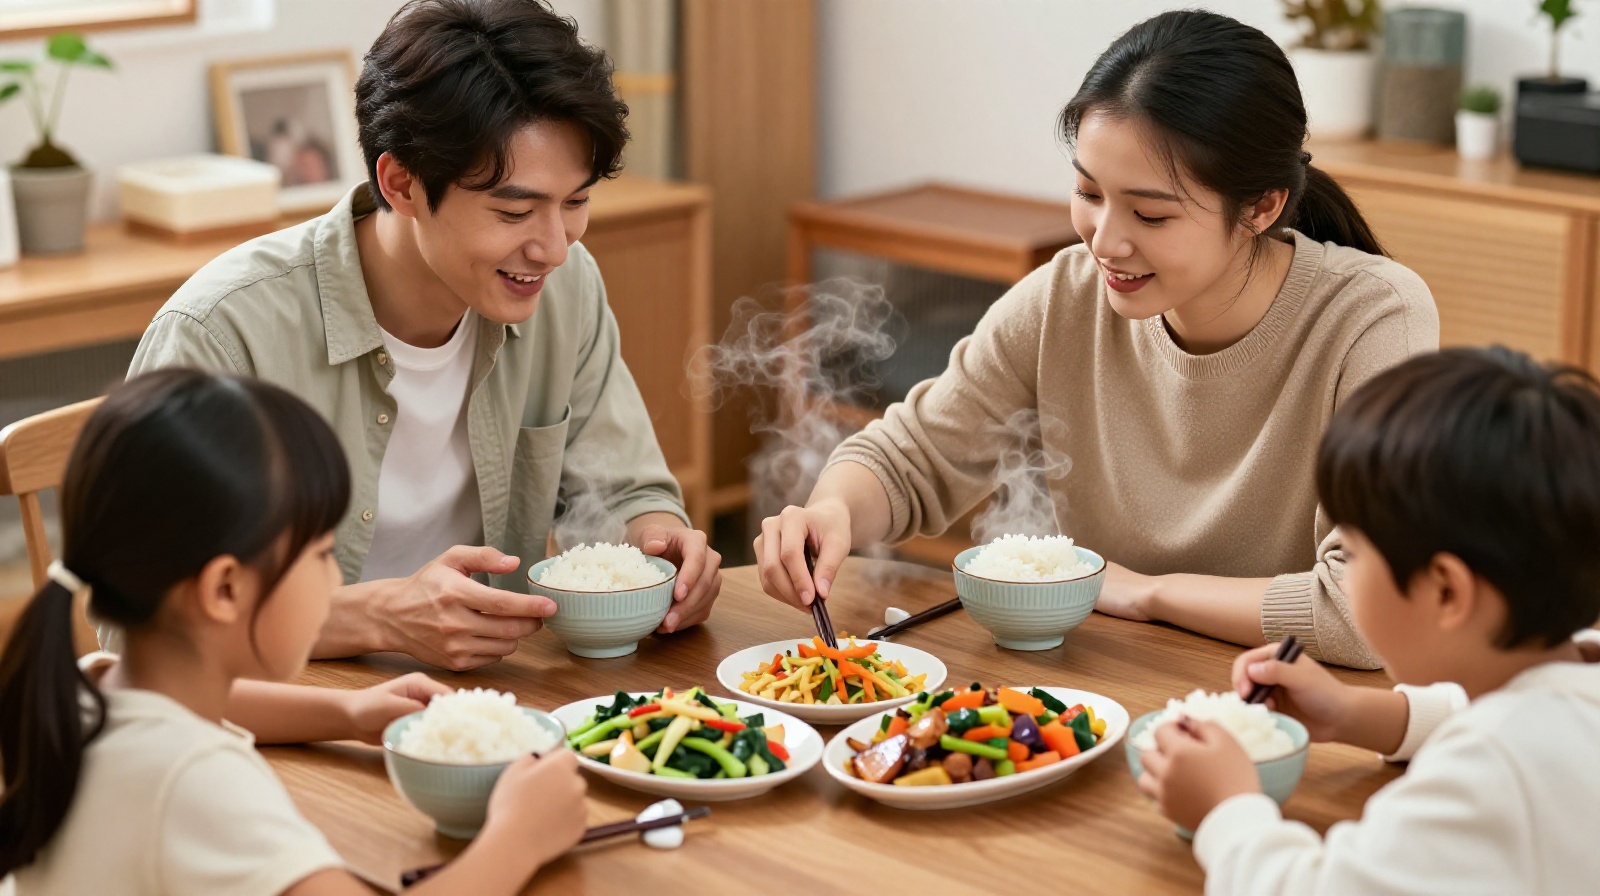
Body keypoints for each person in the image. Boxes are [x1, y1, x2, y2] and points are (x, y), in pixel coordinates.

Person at [755, 9, 1437, 668]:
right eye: (1088, 192)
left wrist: (1143, 592)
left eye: (1149, 213)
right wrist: (831, 510)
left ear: (1260, 206)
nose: (1105, 242)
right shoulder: (1065, 298)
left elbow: (1367, 613)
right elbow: (911, 457)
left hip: (1287, 709)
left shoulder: (1373, 318)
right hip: (1105, 682)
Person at [127, 0, 721, 672]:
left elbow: (625, 492)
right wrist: (374, 616)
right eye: (514, 211)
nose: (553, 247)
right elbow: (141, 629)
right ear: (401, 183)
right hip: (290, 713)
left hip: (489, 702)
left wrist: (661, 542)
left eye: (576, 202)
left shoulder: (564, 286)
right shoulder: (222, 334)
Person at [0, 369, 587, 894]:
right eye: (322, 553)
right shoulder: (200, 788)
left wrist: (349, 713)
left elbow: (228, 703)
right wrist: (518, 839)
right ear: (225, 590)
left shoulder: (89, 691)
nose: (335, 575)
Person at [1137, 347, 1600, 894]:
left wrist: (1226, 809)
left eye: (1352, 554)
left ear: (1447, 591)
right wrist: (1361, 713)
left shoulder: (1490, 772)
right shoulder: (1564, 687)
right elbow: (1507, 716)